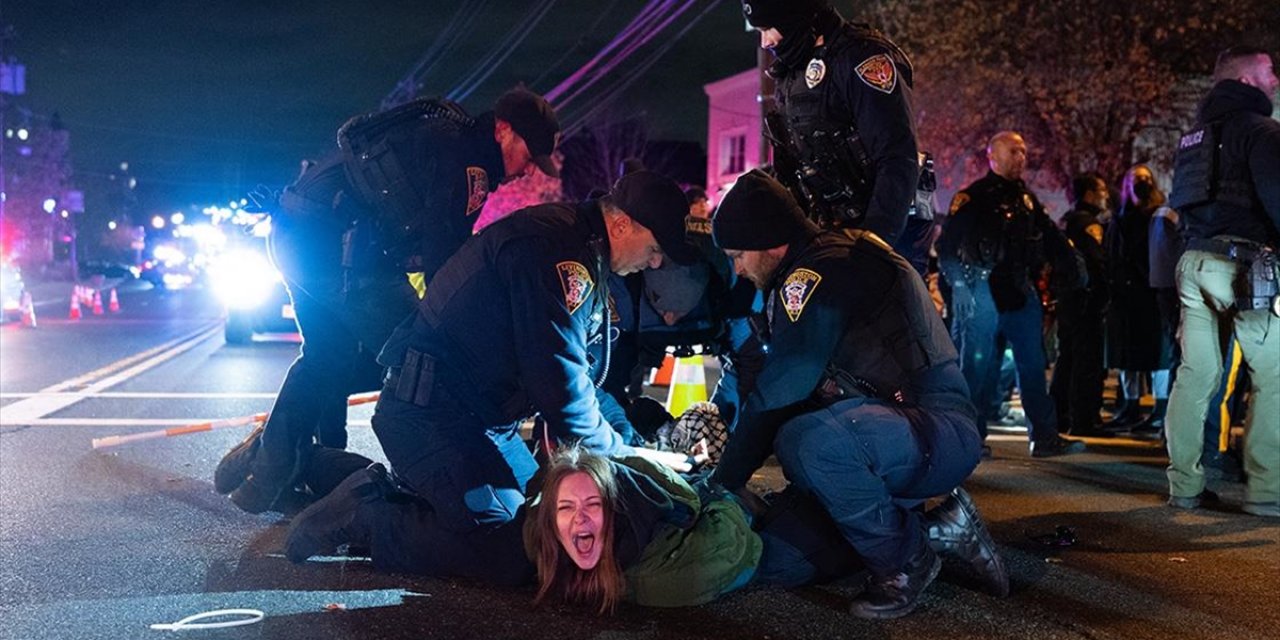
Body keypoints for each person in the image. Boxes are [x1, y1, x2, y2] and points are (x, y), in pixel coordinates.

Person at [283, 171, 704, 581]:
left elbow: (585, 382)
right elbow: (559, 387)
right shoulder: (556, 251)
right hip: (431, 416)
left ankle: (305, 462)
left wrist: (631, 445)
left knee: (536, 519)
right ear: (622, 223)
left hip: (480, 423)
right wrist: (624, 456)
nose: (654, 261)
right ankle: (370, 518)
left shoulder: (580, 250)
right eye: (653, 248)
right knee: (510, 546)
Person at [215, 89, 563, 514]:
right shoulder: (470, 164)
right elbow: (445, 262)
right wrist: (470, 330)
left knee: (329, 358)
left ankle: (281, 468)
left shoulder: (446, 137)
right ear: (504, 131)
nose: (527, 171)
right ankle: (349, 475)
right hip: (339, 252)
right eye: (529, 155)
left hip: (301, 234)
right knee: (420, 357)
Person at [707, 169, 1005, 619]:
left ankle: (907, 561)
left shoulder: (819, 273)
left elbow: (780, 389)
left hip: (934, 430)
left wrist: (725, 480)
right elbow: (763, 379)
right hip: (884, 440)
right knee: (776, 558)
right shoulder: (807, 270)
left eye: (739, 255)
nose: (739, 269)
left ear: (769, 242)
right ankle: (940, 530)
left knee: (805, 441)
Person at [527, 444, 1003, 614]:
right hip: (765, 546)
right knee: (854, 525)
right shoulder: (656, 576)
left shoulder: (642, 551)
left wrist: (711, 496)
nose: (581, 517)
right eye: (566, 508)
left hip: (765, 538)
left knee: (843, 505)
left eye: (591, 503)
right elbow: (730, 531)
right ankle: (941, 526)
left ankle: (936, 519)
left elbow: (723, 527)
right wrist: (717, 496)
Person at [1164, 46, 1280, 517]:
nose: (1276, 78)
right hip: (1248, 267)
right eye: (1269, 69)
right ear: (1248, 79)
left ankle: (1184, 487)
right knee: (1274, 376)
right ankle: (1267, 490)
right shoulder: (1261, 132)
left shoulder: (1192, 138)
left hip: (1194, 262)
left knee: (1196, 377)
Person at [938, 131, 1085, 458]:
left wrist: (1072, 267)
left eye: (1023, 151)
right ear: (993, 156)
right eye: (1013, 151)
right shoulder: (973, 197)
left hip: (1019, 290)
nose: (1021, 157)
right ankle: (968, 440)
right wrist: (960, 286)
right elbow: (947, 248)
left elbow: (1050, 239)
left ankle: (1045, 438)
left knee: (1032, 366)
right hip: (981, 288)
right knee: (976, 368)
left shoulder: (1026, 200)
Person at [743, 0, 918, 246]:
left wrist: (874, 242)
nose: (766, 42)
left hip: (888, 234)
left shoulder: (861, 57)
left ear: (795, 17)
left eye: (769, 28)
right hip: (832, 230)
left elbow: (896, 156)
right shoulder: (790, 72)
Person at [1103, 165, 1174, 435]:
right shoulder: (1119, 218)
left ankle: (1160, 409)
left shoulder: (1158, 215)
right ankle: (1129, 407)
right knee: (1127, 356)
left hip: (1151, 293)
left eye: (1145, 178)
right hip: (1125, 295)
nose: (1141, 183)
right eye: (1135, 179)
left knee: (1158, 356)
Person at [1051, 173, 1111, 437]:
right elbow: (1099, 264)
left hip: (1068, 299)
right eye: (1101, 189)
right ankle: (1084, 419)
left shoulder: (1066, 221)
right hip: (1088, 302)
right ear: (1089, 194)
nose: (1106, 195)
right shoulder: (1089, 225)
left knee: (1067, 358)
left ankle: (1060, 415)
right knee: (1087, 361)